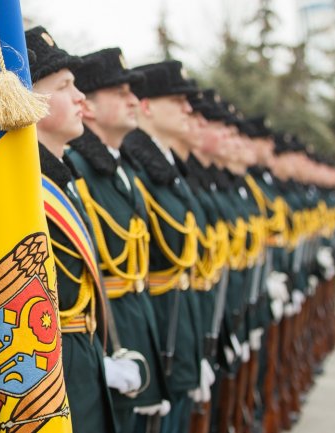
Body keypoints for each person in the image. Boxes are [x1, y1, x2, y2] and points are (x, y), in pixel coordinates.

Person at [67, 47, 171, 433]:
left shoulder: (124, 168)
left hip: (138, 325)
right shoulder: (76, 169)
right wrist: (105, 354)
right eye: (120, 93)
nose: (133, 101)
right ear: (89, 108)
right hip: (109, 333)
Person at [24, 26, 119, 433]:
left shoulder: (65, 179)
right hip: (54, 370)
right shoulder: (24, 190)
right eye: (65, 86)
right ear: (31, 101)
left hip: (85, 355)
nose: (81, 97)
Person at [122, 60, 204, 433]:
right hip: (156, 332)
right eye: (178, 100)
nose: (189, 109)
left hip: (179, 330)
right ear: (148, 107)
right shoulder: (138, 169)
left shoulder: (166, 170)